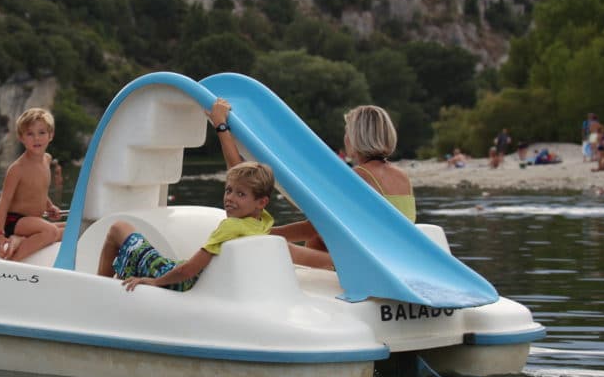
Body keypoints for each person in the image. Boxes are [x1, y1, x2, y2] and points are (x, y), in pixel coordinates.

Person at [209, 100, 414, 270]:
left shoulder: (359, 177)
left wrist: (266, 233)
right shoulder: (402, 177)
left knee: (281, 245)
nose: (345, 138)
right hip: (397, 262)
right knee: (318, 240)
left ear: (356, 137)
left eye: (347, 132)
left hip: (372, 266)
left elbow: (316, 227)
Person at [96, 161, 274, 290]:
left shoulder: (231, 227)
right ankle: (119, 279)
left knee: (118, 228)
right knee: (135, 247)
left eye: (240, 194)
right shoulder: (262, 223)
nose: (230, 198)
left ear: (261, 202)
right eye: (228, 190)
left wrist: (154, 282)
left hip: (178, 281)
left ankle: (99, 288)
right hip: (184, 274)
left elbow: (189, 270)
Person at [0, 107, 64, 262]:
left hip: (33, 221)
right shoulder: (17, 168)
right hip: (15, 221)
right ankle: (12, 261)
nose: (36, 138)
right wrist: (0, 234)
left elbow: (38, 190)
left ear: (50, 135)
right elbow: (3, 202)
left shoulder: (47, 159)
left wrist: (50, 206)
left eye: (41, 133)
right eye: (30, 134)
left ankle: (21, 240)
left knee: (72, 229)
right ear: (21, 137)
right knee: (51, 232)